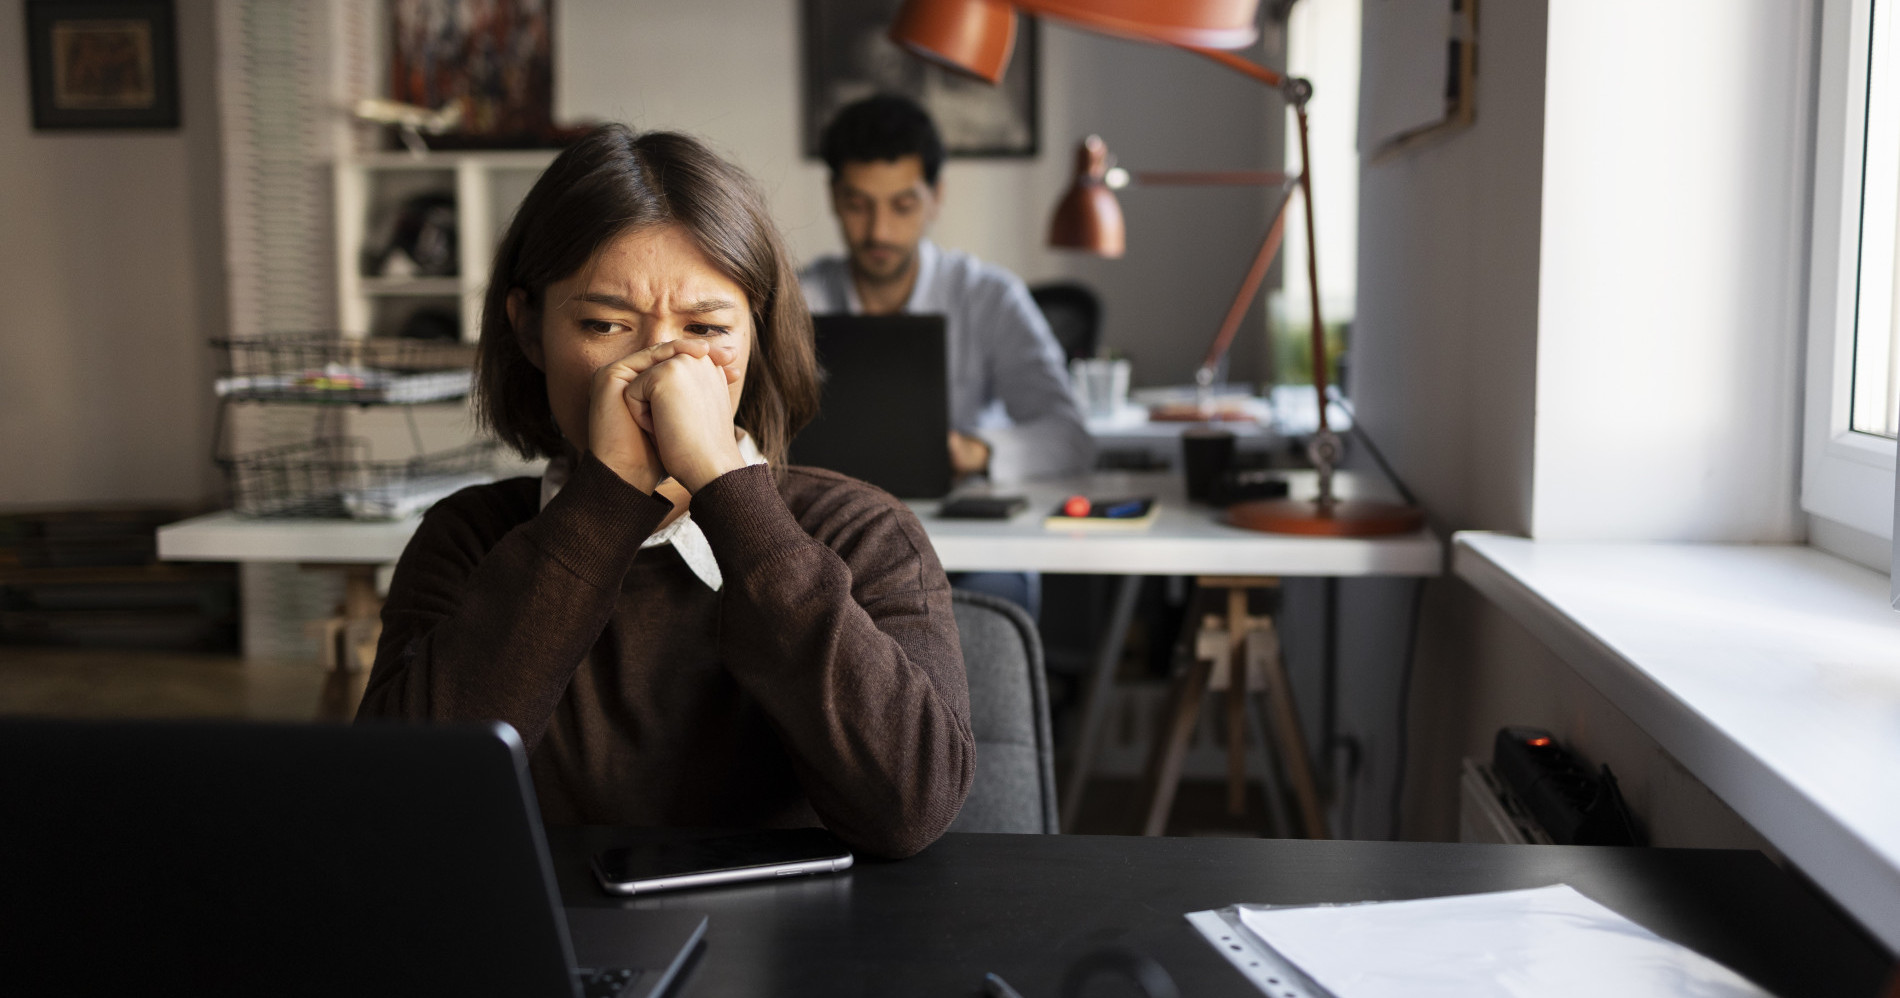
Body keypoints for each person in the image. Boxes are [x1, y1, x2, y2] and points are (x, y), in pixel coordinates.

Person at [356, 126, 974, 860]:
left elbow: (911, 807)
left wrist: (731, 496)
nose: (657, 370)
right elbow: (399, 803)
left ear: (757, 335)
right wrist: (607, 497)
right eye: (605, 325)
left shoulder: (865, 531)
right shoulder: (467, 539)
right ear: (529, 330)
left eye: (706, 328)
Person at [802, 95, 1091, 617]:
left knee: (993, 605)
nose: (879, 231)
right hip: (827, 541)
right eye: (857, 204)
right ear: (833, 197)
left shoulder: (989, 296)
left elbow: (1068, 436)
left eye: (903, 205)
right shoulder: (795, 301)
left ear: (936, 197)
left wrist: (975, 452)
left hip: (965, 549)